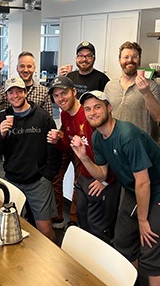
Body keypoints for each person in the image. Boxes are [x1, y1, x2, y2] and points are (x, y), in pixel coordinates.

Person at [71, 90, 160, 286]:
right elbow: (102, 174)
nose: (92, 112)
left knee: (151, 257)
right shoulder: (97, 138)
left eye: (97, 107)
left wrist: (142, 219)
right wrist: (83, 157)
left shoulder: (127, 135)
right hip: (135, 189)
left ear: (109, 107)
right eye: (87, 109)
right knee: (123, 244)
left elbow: (144, 181)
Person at [47, 76, 120, 243]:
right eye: (56, 96)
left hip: (104, 177)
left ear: (74, 92)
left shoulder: (89, 115)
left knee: (100, 228)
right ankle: (86, 261)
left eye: (64, 93)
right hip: (87, 175)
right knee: (83, 219)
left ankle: (102, 266)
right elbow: (69, 147)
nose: (60, 98)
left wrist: (106, 180)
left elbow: (111, 148)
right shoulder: (65, 115)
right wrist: (59, 140)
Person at [0, 77, 61, 242]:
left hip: (38, 182)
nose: (15, 95)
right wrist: (1, 135)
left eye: (19, 91)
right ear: (7, 95)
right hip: (12, 180)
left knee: (44, 230)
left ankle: (53, 262)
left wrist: (47, 177)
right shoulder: (4, 117)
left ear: (25, 92)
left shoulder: (42, 118)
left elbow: (54, 150)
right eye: (11, 92)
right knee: (13, 227)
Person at [104, 41, 160, 134]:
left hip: (138, 144)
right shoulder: (110, 86)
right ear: (119, 60)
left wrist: (146, 92)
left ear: (139, 60)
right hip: (114, 142)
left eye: (134, 57)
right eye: (126, 57)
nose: (130, 60)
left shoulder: (150, 85)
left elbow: (159, 117)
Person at [0, 52, 53, 116]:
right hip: (11, 126)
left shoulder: (44, 92)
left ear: (34, 68)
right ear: (17, 68)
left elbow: (48, 119)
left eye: (29, 66)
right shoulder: (8, 88)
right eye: (22, 66)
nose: (26, 70)